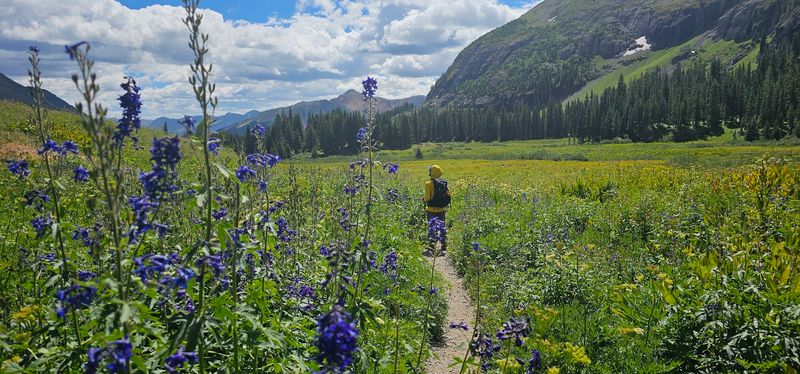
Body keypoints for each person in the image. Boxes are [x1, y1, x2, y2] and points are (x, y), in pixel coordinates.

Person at [423, 164, 451, 256]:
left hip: (431, 210)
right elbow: (447, 195)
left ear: (431, 173)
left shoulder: (428, 184)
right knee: (442, 226)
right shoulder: (443, 184)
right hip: (441, 209)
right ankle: (443, 244)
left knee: (432, 226)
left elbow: (427, 198)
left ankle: (431, 244)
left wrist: (423, 199)